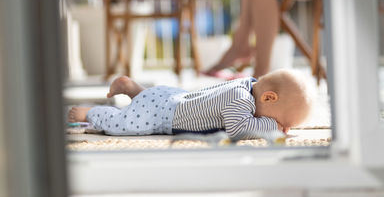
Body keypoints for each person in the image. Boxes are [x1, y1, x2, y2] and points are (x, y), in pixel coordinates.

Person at [68, 69, 312, 139]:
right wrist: (272, 125)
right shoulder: (242, 101)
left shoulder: (246, 83)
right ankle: (90, 112)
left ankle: (134, 90)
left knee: (147, 101)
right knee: (124, 124)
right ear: (269, 98)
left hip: (170, 97)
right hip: (163, 115)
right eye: (284, 120)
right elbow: (240, 128)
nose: (283, 126)